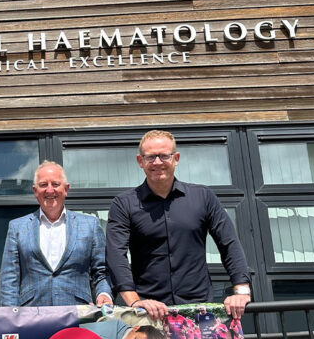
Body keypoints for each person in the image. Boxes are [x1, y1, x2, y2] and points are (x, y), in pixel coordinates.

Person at [106, 130, 252, 321]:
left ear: (176, 158)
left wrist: (241, 291)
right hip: (148, 312)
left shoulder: (203, 197)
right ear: (140, 161)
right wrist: (134, 301)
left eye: (164, 156)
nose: (157, 162)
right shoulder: (123, 204)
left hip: (199, 310)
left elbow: (229, 243)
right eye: (150, 157)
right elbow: (116, 254)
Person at [0, 161, 113, 307]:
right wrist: (10, 314)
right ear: (35, 191)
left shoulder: (90, 225)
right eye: (43, 185)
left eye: (55, 184)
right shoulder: (17, 228)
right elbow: (9, 279)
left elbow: (102, 271)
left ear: (66, 189)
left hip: (78, 313)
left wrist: (103, 293)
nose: (49, 190)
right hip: (32, 314)